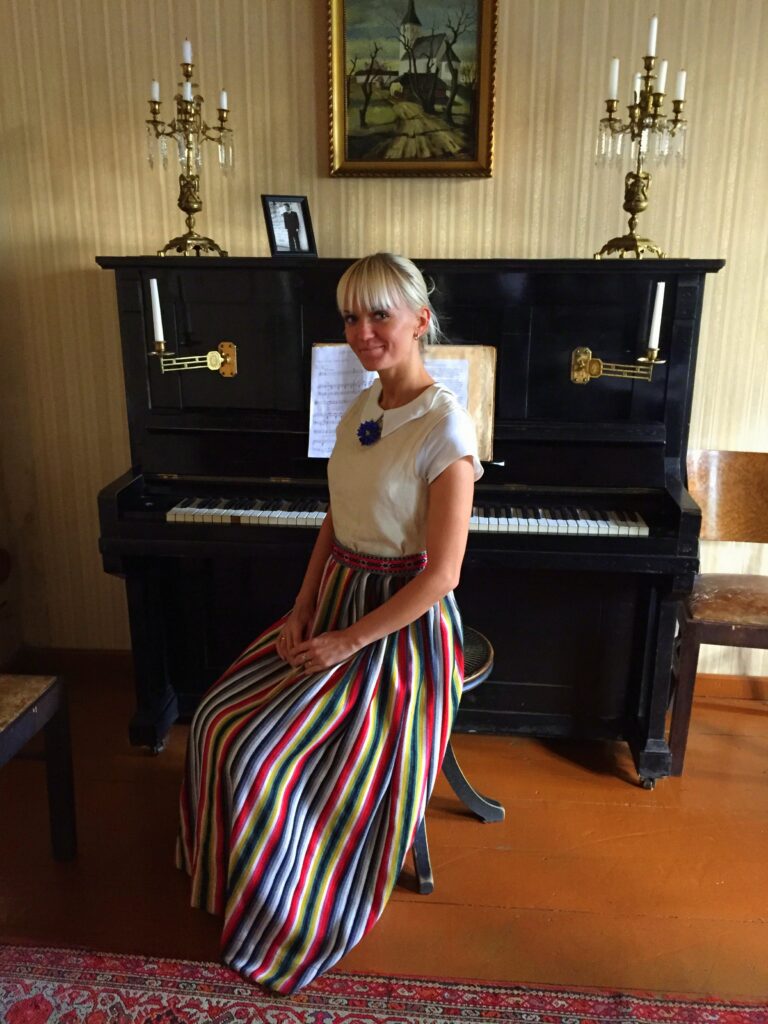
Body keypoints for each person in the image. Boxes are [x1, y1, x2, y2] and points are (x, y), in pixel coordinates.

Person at [177, 252, 483, 993]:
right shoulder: (363, 406)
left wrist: (347, 639)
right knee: (215, 717)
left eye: (380, 314)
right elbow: (336, 518)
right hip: (338, 598)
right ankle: (227, 877)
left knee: (262, 757)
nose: (363, 331)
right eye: (350, 316)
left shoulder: (446, 427)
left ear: (420, 319)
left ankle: (284, 912)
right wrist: (305, 604)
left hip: (399, 633)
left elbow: (442, 574)